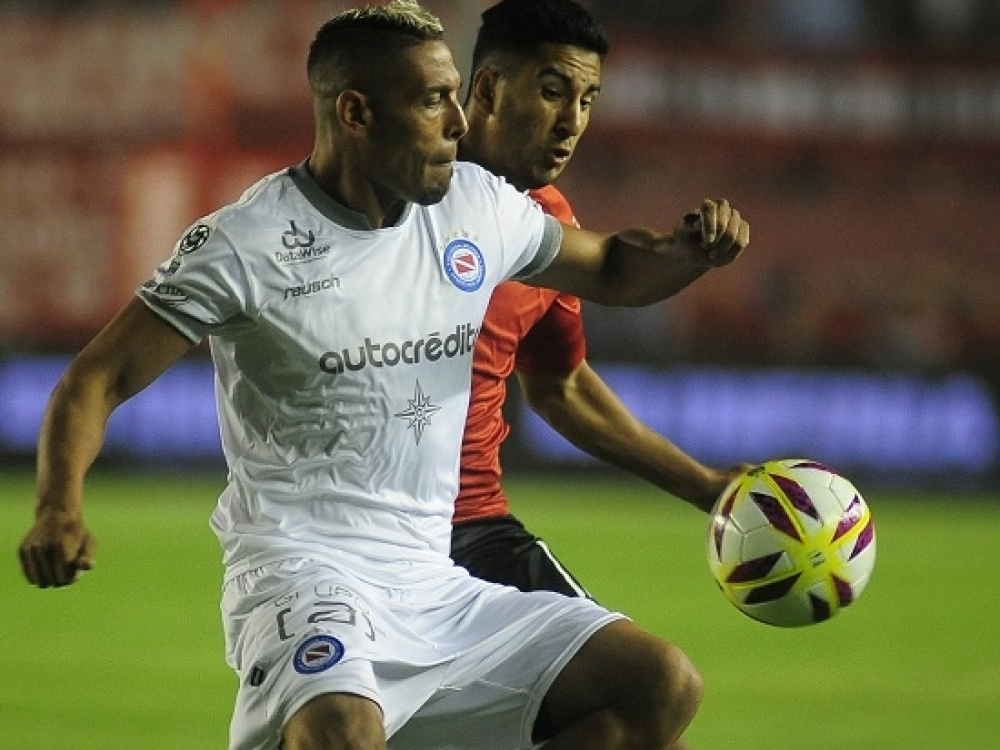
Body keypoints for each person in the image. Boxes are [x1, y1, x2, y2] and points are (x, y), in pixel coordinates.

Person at [18, 3, 749, 750]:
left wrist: (691, 253)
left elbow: (615, 267)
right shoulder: (245, 244)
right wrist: (57, 508)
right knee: (344, 729)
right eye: (434, 101)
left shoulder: (478, 208)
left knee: (659, 685)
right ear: (356, 113)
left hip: (433, 578)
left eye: (454, 96)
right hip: (301, 574)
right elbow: (96, 380)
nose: (459, 123)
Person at [453, 0, 746, 598]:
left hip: (472, 527)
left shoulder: (547, 220)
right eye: (553, 92)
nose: (572, 122)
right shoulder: (393, 196)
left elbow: (560, 385)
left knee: (650, 661)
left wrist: (703, 485)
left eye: (587, 100)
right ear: (487, 89)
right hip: (350, 533)